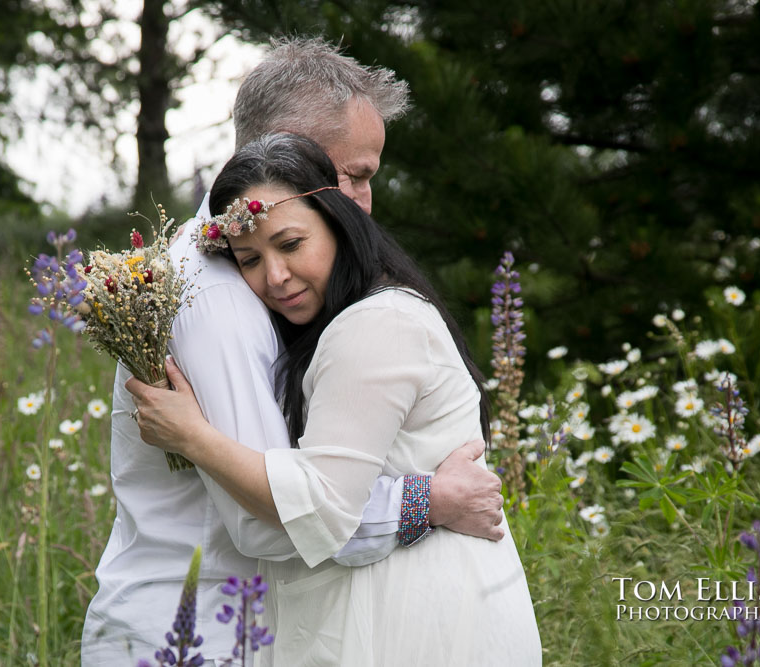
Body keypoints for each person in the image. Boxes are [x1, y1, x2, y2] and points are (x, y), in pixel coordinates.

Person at [81, 38, 507, 666]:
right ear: (281, 152)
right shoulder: (210, 296)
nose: (364, 201)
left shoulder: (270, 282)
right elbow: (273, 525)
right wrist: (428, 502)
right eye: (353, 175)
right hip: (189, 636)